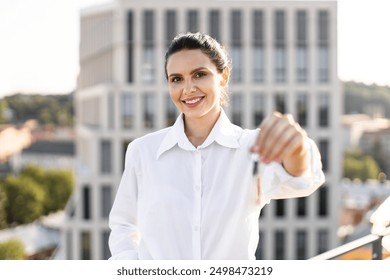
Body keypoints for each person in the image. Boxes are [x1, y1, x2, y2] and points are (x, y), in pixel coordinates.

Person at [108, 32, 325, 260]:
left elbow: (303, 181)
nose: (188, 88)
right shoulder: (143, 151)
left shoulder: (252, 147)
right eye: (176, 79)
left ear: (223, 76)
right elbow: (123, 225)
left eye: (199, 75)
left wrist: (298, 149)